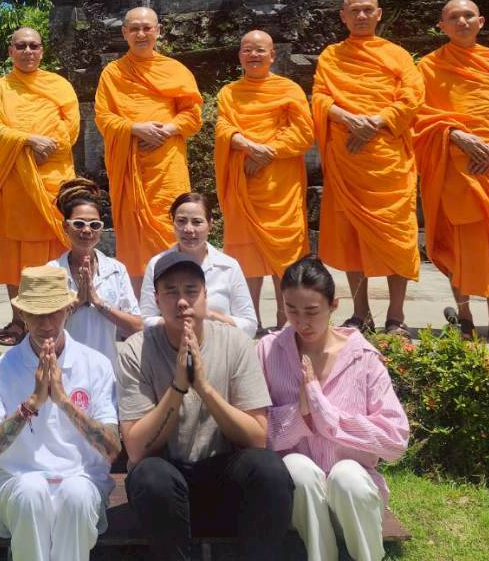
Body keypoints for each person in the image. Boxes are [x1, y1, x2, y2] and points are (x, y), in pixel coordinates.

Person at [119, 249, 296, 561]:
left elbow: (257, 437)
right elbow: (136, 449)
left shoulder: (236, 343)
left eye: (191, 290)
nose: (182, 301)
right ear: (157, 301)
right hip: (165, 483)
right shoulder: (137, 350)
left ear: (206, 296)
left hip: (222, 475)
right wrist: (177, 387)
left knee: (269, 470)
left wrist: (204, 388)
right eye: (170, 292)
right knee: (150, 476)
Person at [259, 256, 409, 561]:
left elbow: (395, 440)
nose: (301, 322)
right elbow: (257, 436)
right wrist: (299, 412)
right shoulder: (268, 350)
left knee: (346, 475)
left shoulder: (363, 357)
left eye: (312, 311)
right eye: (291, 310)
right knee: (297, 467)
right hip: (300, 500)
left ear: (334, 305)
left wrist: (325, 415)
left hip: (355, 496)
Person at [0, 264, 121, 561]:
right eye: (35, 314)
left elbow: (111, 448)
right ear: (22, 315)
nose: (46, 324)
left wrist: (64, 401)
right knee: (31, 492)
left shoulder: (96, 364)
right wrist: (32, 404)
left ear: (69, 308)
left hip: (83, 480)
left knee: (76, 495)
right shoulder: (0, 370)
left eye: (53, 312)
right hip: (20, 482)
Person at [413, 0, 489, 343]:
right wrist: (456, 135)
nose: (462, 21)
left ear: (481, 21)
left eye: (468, 16)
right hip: (454, 166)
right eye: (454, 17)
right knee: (460, 244)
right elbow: (419, 117)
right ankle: (464, 319)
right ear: (442, 26)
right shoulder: (428, 67)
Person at [312, 0, 424, 338]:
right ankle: (361, 315)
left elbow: (412, 96)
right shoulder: (332, 55)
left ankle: (396, 316)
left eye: (367, 10)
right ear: (343, 16)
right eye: (354, 11)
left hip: (388, 161)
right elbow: (320, 97)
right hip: (348, 158)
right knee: (351, 236)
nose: (361, 15)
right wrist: (350, 119)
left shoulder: (397, 55)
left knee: (398, 238)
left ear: (379, 14)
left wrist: (374, 122)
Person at [95, 7, 203, 293]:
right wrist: (134, 128)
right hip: (131, 170)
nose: (141, 34)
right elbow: (104, 118)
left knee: (172, 227)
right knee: (133, 238)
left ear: (158, 31)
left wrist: (167, 129)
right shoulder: (113, 73)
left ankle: (176, 299)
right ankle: (137, 309)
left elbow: (193, 116)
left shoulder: (175, 70)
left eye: (146, 28)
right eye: (134, 29)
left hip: (167, 168)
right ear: (124, 33)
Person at [0, 27, 81, 347]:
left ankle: (57, 319)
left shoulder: (59, 85)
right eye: (21, 46)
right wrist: (28, 140)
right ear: (10, 51)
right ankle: (18, 321)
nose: (28, 51)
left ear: (42, 51)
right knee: (15, 257)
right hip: (17, 185)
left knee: (55, 254)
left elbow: (71, 127)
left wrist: (47, 146)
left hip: (54, 181)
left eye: (34, 46)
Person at [215, 30, 313, 331]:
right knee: (245, 254)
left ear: (272, 55)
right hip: (244, 186)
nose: (254, 55)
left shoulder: (289, 89)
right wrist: (247, 146)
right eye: (247, 50)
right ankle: (250, 318)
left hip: (280, 186)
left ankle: (287, 318)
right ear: (239, 56)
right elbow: (223, 128)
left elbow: (303, 132)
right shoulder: (229, 93)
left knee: (287, 254)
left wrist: (266, 152)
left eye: (260, 50)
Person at [48, 178, 142, 371]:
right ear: (66, 227)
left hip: (106, 369)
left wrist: (99, 303)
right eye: (79, 224)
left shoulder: (115, 269)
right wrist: (77, 302)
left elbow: (137, 326)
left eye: (94, 225)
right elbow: (42, 327)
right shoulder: (52, 271)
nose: (87, 230)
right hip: (63, 369)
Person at [139, 194, 259, 338]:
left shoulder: (228, 267)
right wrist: (176, 323)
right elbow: (144, 321)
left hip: (219, 347)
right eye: (181, 221)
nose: (188, 229)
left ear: (210, 225)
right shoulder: (157, 264)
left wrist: (208, 316)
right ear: (173, 223)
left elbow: (250, 326)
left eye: (197, 222)